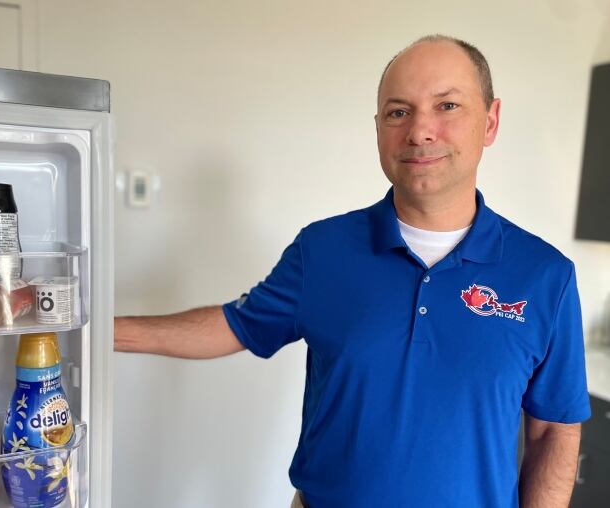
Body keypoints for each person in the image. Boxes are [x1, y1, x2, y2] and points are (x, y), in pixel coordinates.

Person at [115, 34, 591, 508]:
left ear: (490, 121)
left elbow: (554, 429)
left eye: (447, 106)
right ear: (379, 128)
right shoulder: (322, 250)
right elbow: (234, 325)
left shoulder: (545, 276)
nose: (420, 131)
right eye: (398, 112)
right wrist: (92, 330)